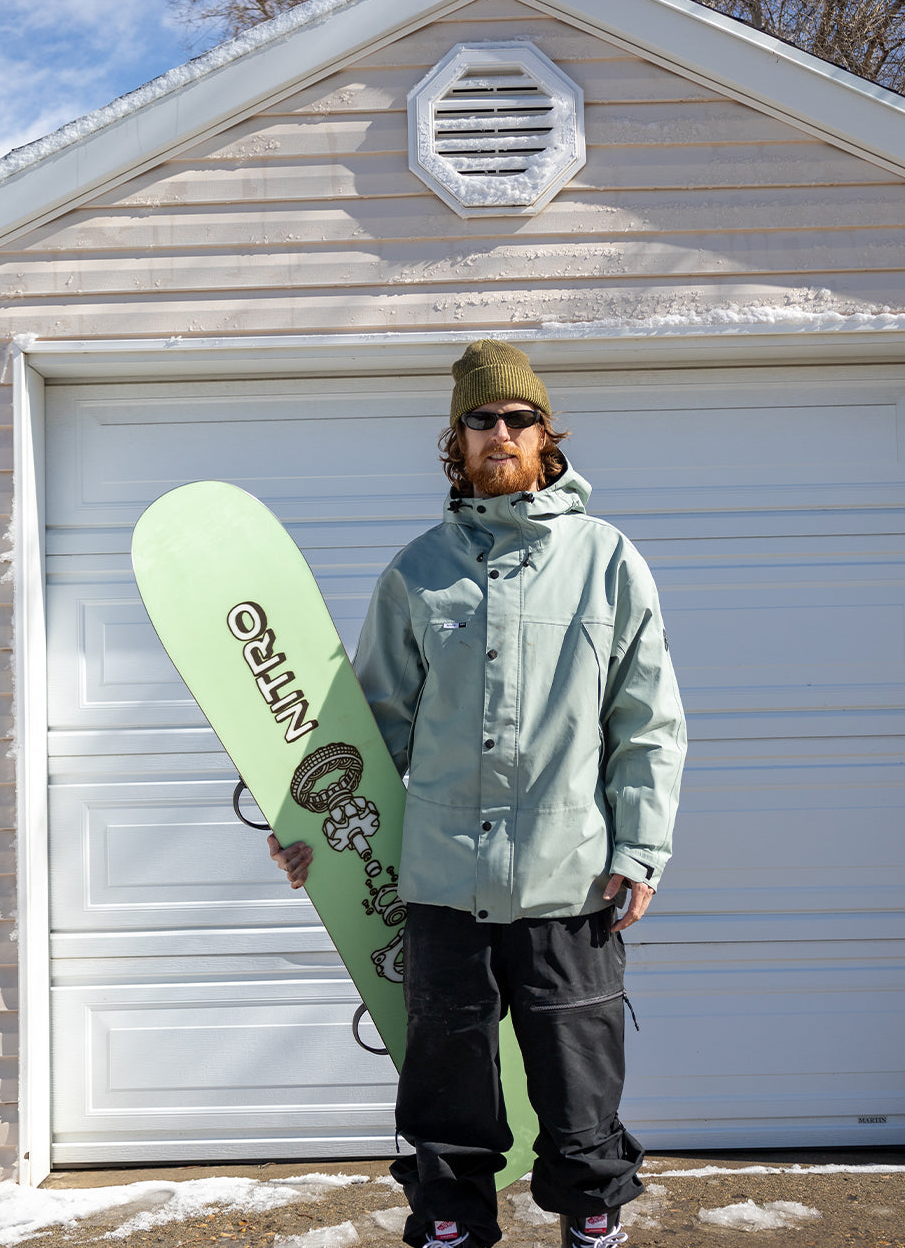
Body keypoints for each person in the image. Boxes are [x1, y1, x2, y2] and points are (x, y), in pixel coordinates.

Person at [270, 339, 686, 1248]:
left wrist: (640, 850)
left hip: (568, 874)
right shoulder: (418, 572)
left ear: (548, 437)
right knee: (445, 1069)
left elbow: (647, 724)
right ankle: (451, 1218)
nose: (500, 432)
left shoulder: (608, 562)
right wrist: (309, 828)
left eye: (518, 418)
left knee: (578, 1068)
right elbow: (373, 726)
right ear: (454, 442)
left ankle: (591, 1211)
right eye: (480, 419)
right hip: (444, 878)